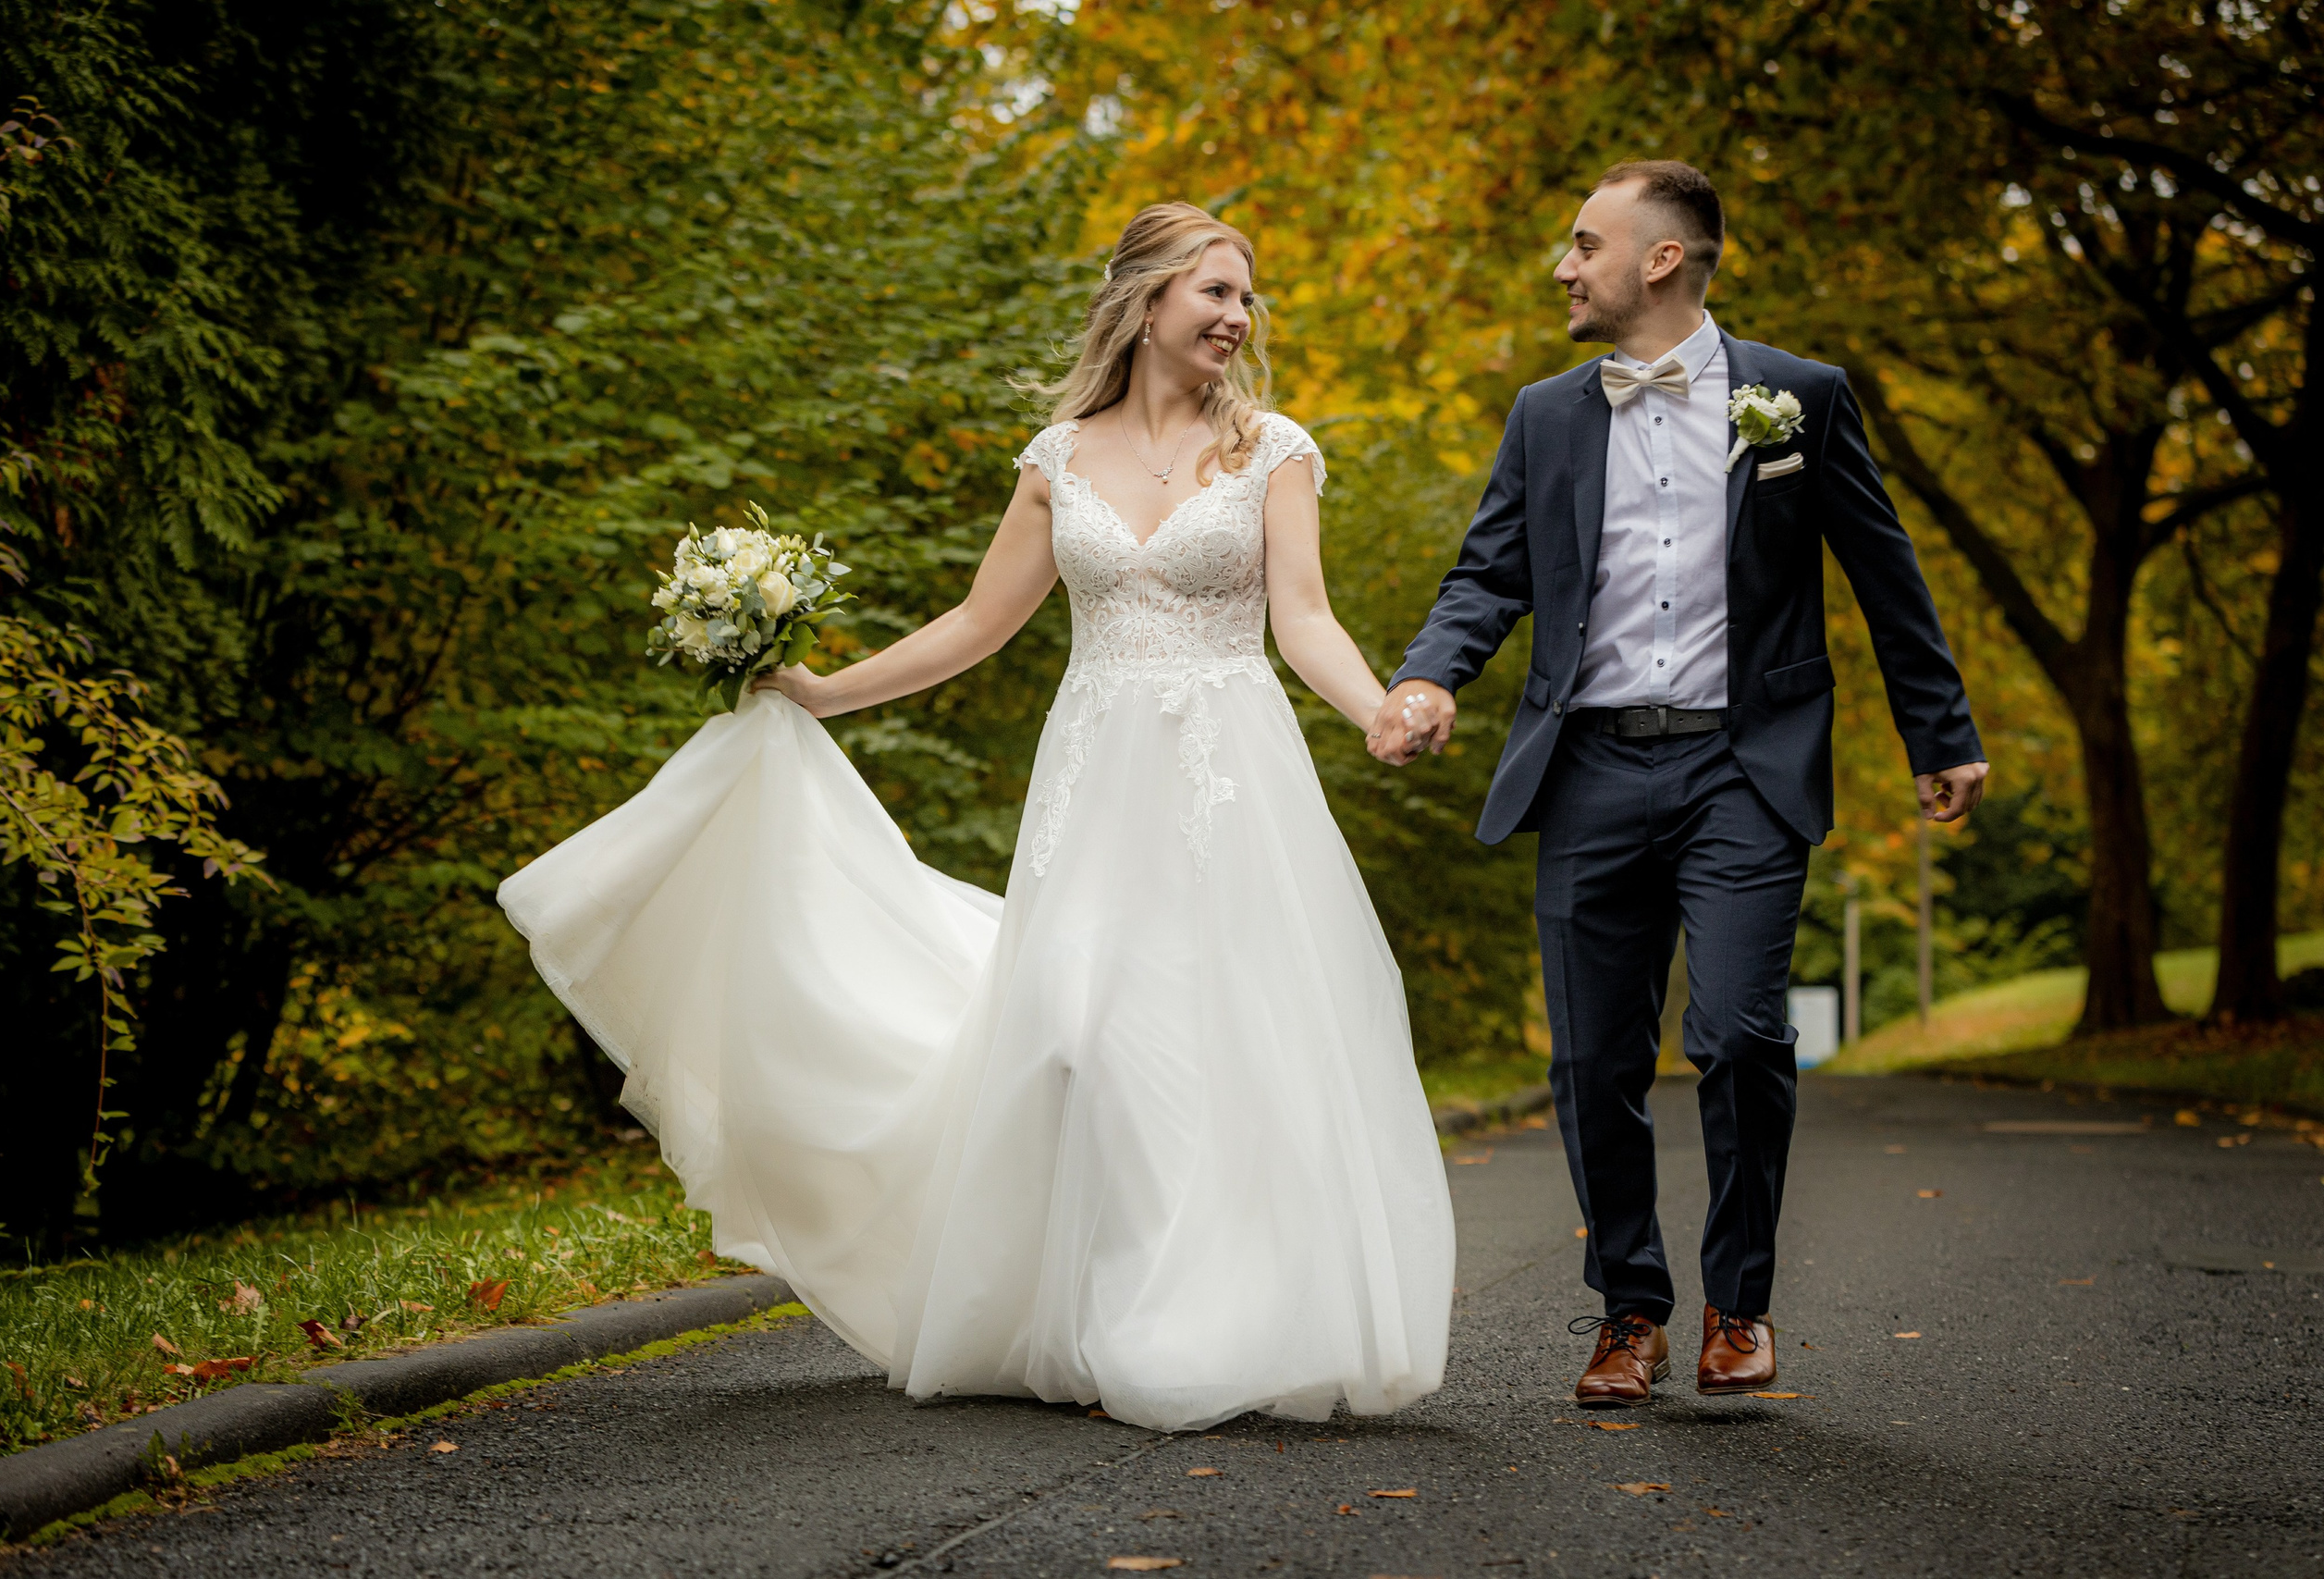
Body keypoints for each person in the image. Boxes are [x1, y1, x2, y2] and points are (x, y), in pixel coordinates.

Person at [499, 202, 1452, 1434]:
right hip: (1097, 780)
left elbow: (1304, 616)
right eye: (1216, 290)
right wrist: (827, 691)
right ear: (1149, 300)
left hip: (1232, 776)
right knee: (1080, 1030)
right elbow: (977, 623)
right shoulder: (1059, 457)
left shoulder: (1274, 449)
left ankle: (1193, 1326)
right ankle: (1103, 1308)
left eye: (1245, 295)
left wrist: (1378, 708)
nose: (1237, 315)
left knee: (1226, 1028)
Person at [1366, 161, 1988, 1408]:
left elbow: (1884, 567)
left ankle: (1740, 1307)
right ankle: (1631, 1313)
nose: (1563, 266)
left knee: (1744, 1032)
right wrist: (1432, 679)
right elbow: (1487, 575)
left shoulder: (1798, 400)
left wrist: (1940, 731)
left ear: (1661, 259)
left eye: (1584, 244)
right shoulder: (1546, 416)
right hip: (1587, 761)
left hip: (1740, 767)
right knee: (1595, 1060)